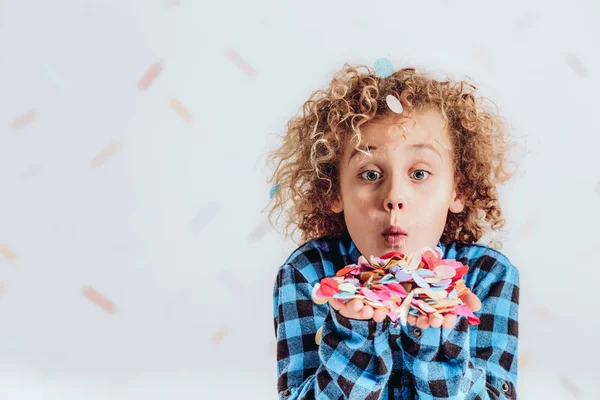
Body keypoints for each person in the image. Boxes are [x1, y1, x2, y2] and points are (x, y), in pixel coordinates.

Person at [265, 62, 520, 399]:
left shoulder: (488, 277)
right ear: (334, 191)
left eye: (419, 174)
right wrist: (353, 334)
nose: (394, 197)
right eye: (370, 174)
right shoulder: (308, 276)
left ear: (457, 189)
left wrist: (439, 342)